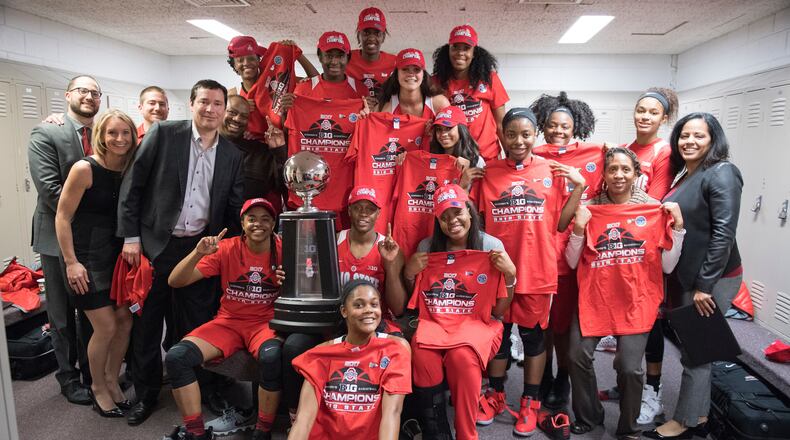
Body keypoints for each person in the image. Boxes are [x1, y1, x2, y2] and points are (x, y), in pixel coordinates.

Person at [117, 79, 245, 426]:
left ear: (224, 109)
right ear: (191, 104)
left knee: (201, 325)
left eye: (218, 104)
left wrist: (235, 251)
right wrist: (131, 237)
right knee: (147, 325)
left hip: (201, 249)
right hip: (157, 246)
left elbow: (233, 210)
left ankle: (207, 389)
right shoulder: (164, 135)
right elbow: (133, 186)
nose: (211, 110)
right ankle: (145, 395)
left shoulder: (232, 154)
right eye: (204, 102)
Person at [474, 108, 585, 437]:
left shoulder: (551, 171)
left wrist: (578, 188)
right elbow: (476, 224)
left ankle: (530, 402)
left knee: (534, 338)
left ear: (536, 135)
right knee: (499, 338)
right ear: (502, 136)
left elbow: (561, 223)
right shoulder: (489, 173)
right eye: (512, 134)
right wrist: (466, 183)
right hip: (496, 272)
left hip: (536, 271)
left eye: (526, 134)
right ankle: (494, 395)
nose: (519, 140)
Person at [564, 147, 685, 440]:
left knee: (630, 369)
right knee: (576, 355)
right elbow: (570, 261)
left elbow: (667, 266)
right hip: (596, 298)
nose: (619, 175)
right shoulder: (589, 208)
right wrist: (579, 230)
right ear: (604, 175)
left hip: (636, 300)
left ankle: (628, 426)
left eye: (625, 169)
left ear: (636, 174)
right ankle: (590, 416)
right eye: (612, 169)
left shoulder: (654, 210)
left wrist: (678, 229)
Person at [645, 113, 743, 440]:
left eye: (699, 135)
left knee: (696, 352)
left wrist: (705, 286)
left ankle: (684, 423)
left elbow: (724, 234)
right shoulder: (688, 174)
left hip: (710, 279)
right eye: (684, 135)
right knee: (696, 348)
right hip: (688, 277)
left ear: (713, 139)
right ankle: (699, 417)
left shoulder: (723, 173)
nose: (689, 141)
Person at [163, 198, 284, 440]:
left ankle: (262, 430)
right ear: (242, 222)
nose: (258, 224)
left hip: (265, 324)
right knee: (177, 358)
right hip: (229, 322)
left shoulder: (286, 249)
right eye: (252, 219)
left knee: (272, 358)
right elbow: (175, 281)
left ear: (273, 224)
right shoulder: (227, 247)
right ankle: (196, 433)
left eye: (265, 219)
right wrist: (197, 253)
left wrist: (289, 283)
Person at [404, 183, 516, 440]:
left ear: (469, 211)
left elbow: (499, 309)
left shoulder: (491, 245)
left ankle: (467, 434)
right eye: (444, 217)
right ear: (437, 222)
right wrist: (409, 272)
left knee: (461, 358)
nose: (452, 221)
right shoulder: (427, 247)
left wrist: (510, 275)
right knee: (421, 353)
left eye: (457, 212)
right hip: (435, 323)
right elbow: (414, 300)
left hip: (479, 323)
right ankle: (437, 431)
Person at [599, 87, 680, 424]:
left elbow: (654, 199)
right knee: (626, 313)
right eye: (640, 110)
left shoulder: (664, 151)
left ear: (664, 118)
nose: (644, 117)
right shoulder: (626, 149)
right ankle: (626, 384)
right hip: (625, 239)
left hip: (646, 239)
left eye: (652, 112)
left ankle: (654, 390)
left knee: (651, 320)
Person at [54, 109, 139, 417]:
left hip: (118, 258)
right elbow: (62, 217)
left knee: (125, 322)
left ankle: (112, 380)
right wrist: (71, 262)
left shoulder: (131, 167)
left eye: (125, 133)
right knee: (104, 327)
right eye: (112, 132)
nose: (119, 139)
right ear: (100, 135)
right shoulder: (84, 169)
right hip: (87, 259)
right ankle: (98, 387)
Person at [28, 74, 102, 405]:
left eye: (95, 93)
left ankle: (91, 371)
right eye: (82, 91)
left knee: (89, 308)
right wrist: (100, 209)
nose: (89, 97)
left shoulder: (101, 134)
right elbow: (50, 191)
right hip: (57, 237)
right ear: (68, 95)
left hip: (94, 240)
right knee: (61, 314)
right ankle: (67, 377)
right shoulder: (47, 132)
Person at [529, 91, 600, 411]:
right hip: (539, 249)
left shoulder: (593, 154)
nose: (559, 131)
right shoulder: (534, 153)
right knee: (540, 323)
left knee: (563, 326)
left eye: (565, 126)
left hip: (573, 251)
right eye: (553, 125)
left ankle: (563, 379)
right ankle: (541, 377)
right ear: (543, 125)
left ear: (576, 128)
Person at [288, 280, 411, 440]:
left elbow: (392, 413)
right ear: (344, 311)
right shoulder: (321, 354)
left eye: (374, 305)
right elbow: (303, 419)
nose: (368, 310)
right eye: (359, 305)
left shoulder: (394, 351)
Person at [432, 25, 509, 162]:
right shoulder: (436, 82)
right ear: (448, 50)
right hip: (453, 157)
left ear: (474, 53)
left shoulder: (489, 78)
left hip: (487, 155)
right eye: (455, 47)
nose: (460, 53)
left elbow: (501, 124)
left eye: (466, 48)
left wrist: (510, 156)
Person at [337, 187, 407, 333]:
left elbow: (398, 308)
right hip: (339, 319)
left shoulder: (391, 249)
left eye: (370, 209)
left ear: (378, 213)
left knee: (400, 345)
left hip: (376, 322)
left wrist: (389, 265)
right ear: (349, 211)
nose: (363, 213)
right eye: (358, 208)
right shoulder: (334, 240)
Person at [221, 95, 287, 211]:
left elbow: (283, 185)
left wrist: (279, 150)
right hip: (210, 227)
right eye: (232, 112)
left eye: (244, 116)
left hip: (250, 226)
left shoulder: (260, 153)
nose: (237, 119)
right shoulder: (203, 148)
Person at [292, 31, 368, 100]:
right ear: (320, 57)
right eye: (329, 56)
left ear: (348, 58)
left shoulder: (361, 90)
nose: (334, 62)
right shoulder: (303, 89)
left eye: (340, 56)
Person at [345, 6, 397, 108]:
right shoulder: (346, 58)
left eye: (377, 33)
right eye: (366, 33)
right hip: (352, 117)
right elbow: (330, 87)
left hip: (383, 118)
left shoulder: (395, 62)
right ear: (359, 35)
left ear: (383, 37)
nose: (371, 38)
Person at [377, 48, 450, 119]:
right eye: (405, 69)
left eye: (416, 69)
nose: (411, 74)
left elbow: (453, 130)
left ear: (423, 74)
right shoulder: (385, 108)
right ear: (396, 74)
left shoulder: (440, 104)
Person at [429, 106, 484, 190]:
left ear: (461, 130)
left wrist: (464, 183)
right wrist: (462, 185)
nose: (443, 134)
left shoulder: (476, 162)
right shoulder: (431, 160)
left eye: (448, 128)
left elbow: (480, 201)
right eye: (439, 129)